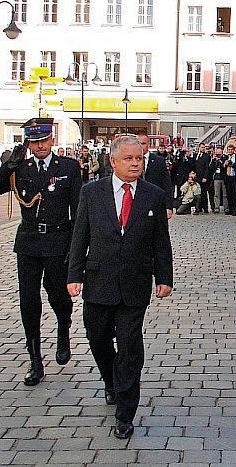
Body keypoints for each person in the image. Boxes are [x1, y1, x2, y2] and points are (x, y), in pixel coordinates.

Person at [67, 135, 173, 439]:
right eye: (128, 159)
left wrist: (164, 277)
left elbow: (160, 241)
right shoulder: (92, 192)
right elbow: (80, 236)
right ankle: (111, 380)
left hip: (134, 284)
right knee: (98, 339)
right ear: (113, 161)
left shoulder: (153, 195)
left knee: (129, 348)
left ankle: (125, 413)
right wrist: (74, 274)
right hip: (98, 282)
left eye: (138, 158)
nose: (135, 164)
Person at [0, 118, 82, 386]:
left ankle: (63, 327)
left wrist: (75, 247)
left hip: (58, 239)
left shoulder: (68, 167)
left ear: (52, 140)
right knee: (28, 301)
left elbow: (78, 209)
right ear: (28, 143)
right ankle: (35, 359)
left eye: (44, 140)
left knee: (59, 296)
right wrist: (8, 166)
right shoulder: (21, 168)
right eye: (34, 142)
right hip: (29, 241)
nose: (40, 146)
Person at [135, 130, 174, 219]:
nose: (140, 146)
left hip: (154, 203)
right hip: (136, 203)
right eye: (137, 144)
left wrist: (168, 207)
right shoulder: (131, 161)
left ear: (148, 144)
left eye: (143, 143)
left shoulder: (159, 161)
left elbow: (167, 185)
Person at [224, 143, 236, 216]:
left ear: (234, 150)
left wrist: (233, 165)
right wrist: (225, 164)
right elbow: (221, 166)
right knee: (228, 194)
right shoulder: (225, 157)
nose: (230, 151)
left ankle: (235, 210)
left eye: (231, 149)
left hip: (235, 178)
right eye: (229, 149)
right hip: (228, 177)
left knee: (235, 194)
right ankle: (230, 209)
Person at [194, 143, 211, 213]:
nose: (203, 149)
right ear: (199, 147)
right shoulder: (195, 155)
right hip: (197, 176)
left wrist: (205, 177)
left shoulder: (206, 156)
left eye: (204, 147)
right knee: (197, 192)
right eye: (202, 147)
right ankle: (199, 207)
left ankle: (205, 208)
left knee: (204, 193)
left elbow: (207, 167)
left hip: (203, 177)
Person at [210, 147, 225, 213]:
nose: (218, 155)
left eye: (219, 154)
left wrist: (220, 161)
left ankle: (226, 207)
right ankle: (216, 207)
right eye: (217, 154)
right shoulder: (214, 160)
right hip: (216, 178)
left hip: (223, 177)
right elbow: (211, 168)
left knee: (225, 194)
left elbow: (224, 167)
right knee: (216, 194)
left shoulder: (225, 158)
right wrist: (213, 160)